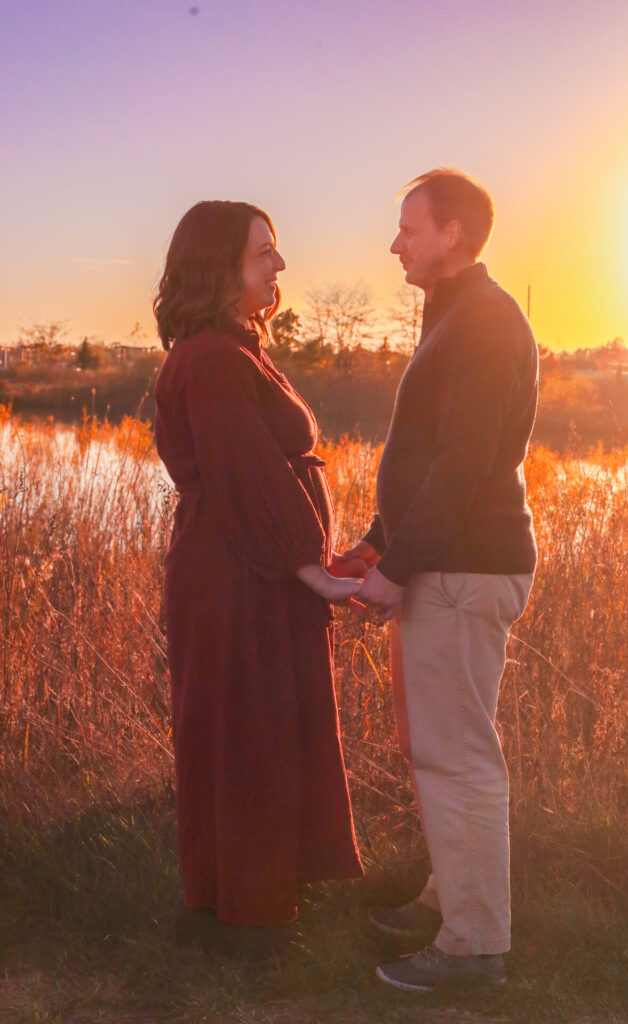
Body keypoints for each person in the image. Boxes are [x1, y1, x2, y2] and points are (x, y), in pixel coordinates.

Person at [342, 169, 538, 991]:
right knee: (445, 748)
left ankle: (473, 949)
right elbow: (430, 459)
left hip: (463, 568)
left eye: (408, 228)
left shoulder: (485, 322)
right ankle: (444, 899)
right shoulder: (457, 316)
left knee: (457, 758)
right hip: (449, 561)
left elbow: (466, 465)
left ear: (452, 233)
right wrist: (376, 545)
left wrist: (398, 567)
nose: (395, 244)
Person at [153, 200, 364, 958]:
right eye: (262, 252)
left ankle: (243, 902)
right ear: (220, 265)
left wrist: (312, 557)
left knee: (252, 726)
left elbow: (257, 467)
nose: (278, 265)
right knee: (245, 731)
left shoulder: (234, 347)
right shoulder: (210, 356)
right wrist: (309, 563)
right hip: (236, 569)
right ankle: (245, 923)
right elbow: (244, 468)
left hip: (245, 562)